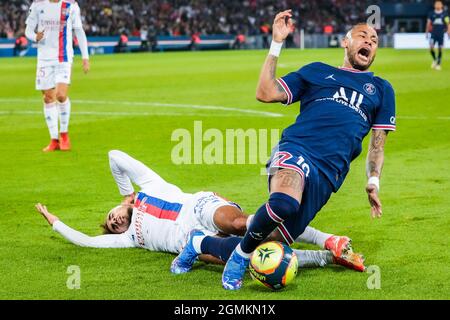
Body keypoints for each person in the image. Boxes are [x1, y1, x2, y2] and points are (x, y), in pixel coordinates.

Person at [218, 10, 395, 290]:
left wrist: (373, 181)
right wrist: (277, 43)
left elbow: (377, 145)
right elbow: (266, 92)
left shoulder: (382, 90)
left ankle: (199, 243)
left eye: (374, 40)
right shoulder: (316, 71)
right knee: (284, 203)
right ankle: (239, 258)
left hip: (328, 176)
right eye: (363, 36)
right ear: (345, 42)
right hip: (298, 149)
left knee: (270, 243)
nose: (370, 42)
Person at [35, 150, 363, 272]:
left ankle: (324, 237)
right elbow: (87, 243)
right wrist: (56, 223)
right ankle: (327, 255)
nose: (116, 220)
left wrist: (127, 196)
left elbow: (114, 155)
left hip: (200, 207)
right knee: (251, 256)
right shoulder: (128, 240)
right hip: (192, 239)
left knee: (240, 224)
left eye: (112, 215)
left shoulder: (147, 187)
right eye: (112, 225)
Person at [25, 0, 90, 152]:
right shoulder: (37, 5)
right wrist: (35, 37)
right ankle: (54, 140)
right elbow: (28, 30)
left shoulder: (71, 5)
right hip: (44, 59)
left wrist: (85, 57)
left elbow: (79, 31)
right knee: (48, 98)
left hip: (63, 57)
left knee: (60, 95)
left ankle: (64, 134)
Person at [426, 0, 450, 70]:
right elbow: (428, 23)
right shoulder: (431, 13)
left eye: (439, 4)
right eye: (437, 4)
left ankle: (438, 64)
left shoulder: (445, 14)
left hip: (441, 34)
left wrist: (448, 31)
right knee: (431, 48)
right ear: (434, 5)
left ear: (441, 5)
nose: (438, 5)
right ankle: (435, 59)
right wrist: (426, 32)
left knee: (440, 48)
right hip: (433, 34)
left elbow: (448, 24)